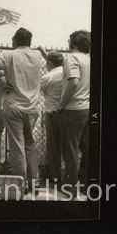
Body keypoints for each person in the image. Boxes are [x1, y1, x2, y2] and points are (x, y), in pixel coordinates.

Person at [0, 27, 47, 185]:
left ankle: (21, 182)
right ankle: (34, 181)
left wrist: (0, 83)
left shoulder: (9, 55)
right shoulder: (37, 55)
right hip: (33, 107)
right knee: (30, 143)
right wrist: (39, 48)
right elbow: (49, 57)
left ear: (15, 40)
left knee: (17, 146)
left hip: (14, 106)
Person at [57, 31, 91, 195]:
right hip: (87, 108)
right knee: (87, 149)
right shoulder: (89, 59)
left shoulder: (72, 58)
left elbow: (74, 81)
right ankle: (84, 183)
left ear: (74, 43)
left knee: (70, 149)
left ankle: (70, 187)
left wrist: (61, 104)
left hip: (72, 109)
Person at [39, 50, 66, 187]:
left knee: (53, 146)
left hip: (52, 113)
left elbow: (35, 90)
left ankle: (55, 178)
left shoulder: (48, 76)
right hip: (68, 113)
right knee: (67, 145)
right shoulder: (68, 73)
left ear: (49, 62)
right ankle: (69, 174)